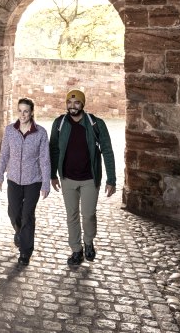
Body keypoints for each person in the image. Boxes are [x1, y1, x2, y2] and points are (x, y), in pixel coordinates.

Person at [49, 89, 116, 266]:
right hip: (67, 179)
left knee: (88, 215)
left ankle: (88, 241)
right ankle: (76, 250)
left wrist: (111, 180)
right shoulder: (59, 124)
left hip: (89, 179)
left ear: (83, 104)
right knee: (71, 215)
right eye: (69, 103)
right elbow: (53, 150)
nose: (72, 106)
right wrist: (52, 175)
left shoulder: (96, 124)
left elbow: (107, 151)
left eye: (76, 103)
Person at [0, 97, 51, 266]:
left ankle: (25, 252)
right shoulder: (10, 131)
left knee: (27, 215)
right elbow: (4, 154)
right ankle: (19, 232)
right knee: (13, 213)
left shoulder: (40, 133)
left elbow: (44, 159)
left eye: (26, 111)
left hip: (33, 181)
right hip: (13, 179)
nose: (22, 114)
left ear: (32, 112)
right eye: (20, 110)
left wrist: (46, 183)